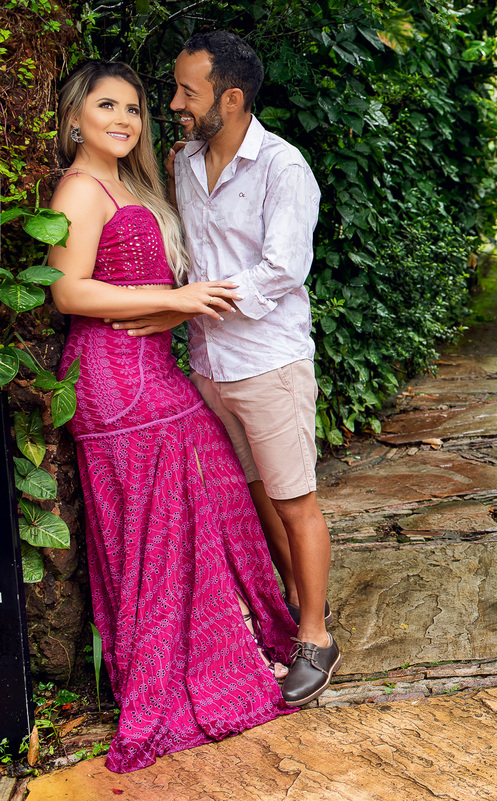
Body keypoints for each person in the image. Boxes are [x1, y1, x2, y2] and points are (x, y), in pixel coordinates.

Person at [48, 60, 297, 773]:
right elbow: (69, 292)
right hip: (110, 379)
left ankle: (226, 650)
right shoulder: (80, 188)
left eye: (132, 108)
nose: (123, 119)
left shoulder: (134, 184)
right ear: (76, 119)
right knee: (164, 518)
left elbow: (141, 288)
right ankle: (166, 678)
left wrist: (173, 304)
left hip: (151, 367)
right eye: (106, 106)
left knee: (210, 491)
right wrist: (180, 304)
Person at [112, 31, 339, 707]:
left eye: (188, 91)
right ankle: (298, 600)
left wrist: (185, 308)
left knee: (295, 499)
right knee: (256, 493)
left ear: (230, 98)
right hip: (209, 365)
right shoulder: (183, 163)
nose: (174, 103)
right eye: (177, 89)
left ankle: (317, 639)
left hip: (269, 363)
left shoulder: (282, 168)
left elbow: (280, 272)